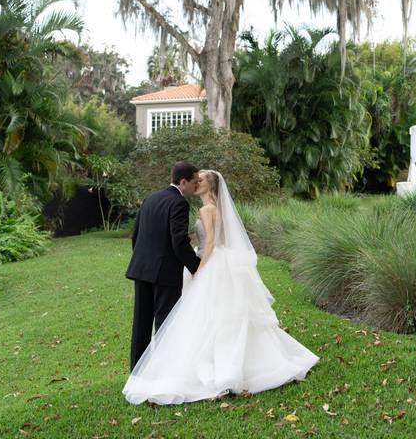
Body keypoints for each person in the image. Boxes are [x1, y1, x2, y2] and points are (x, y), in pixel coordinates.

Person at [124, 170, 318, 405]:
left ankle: (162, 368)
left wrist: (199, 269)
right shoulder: (219, 209)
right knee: (222, 317)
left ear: (210, 185)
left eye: (202, 179)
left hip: (208, 264)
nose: (198, 182)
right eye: (196, 179)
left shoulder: (203, 209)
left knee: (202, 318)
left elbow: (210, 243)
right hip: (220, 263)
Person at [126, 162, 202, 370]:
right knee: (165, 323)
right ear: (183, 181)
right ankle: (164, 373)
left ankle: (137, 372)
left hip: (141, 269)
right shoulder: (179, 203)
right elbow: (178, 242)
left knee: (141, 324)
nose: (196, 186)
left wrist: (143, 260)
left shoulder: (150, 198)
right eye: (194, 182)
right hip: (164, 273)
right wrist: (197, 267)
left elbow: (135, 235)